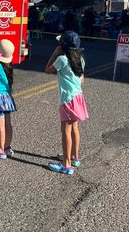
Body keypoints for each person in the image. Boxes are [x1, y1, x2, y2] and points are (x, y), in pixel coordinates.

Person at [45, 31, 88, 175]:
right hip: (78, 97)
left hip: (67, 99)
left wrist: (55, 53)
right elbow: (82, 80)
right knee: (75, 128)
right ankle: (74, 157)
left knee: (66, 132)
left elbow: (47, 69)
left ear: (62, 46)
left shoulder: (62, 60)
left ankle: (66, 164)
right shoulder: (80, 59)